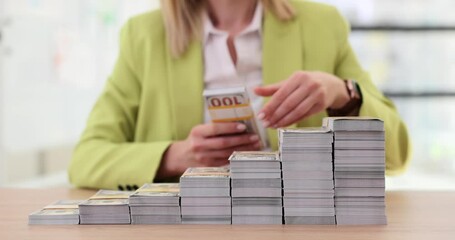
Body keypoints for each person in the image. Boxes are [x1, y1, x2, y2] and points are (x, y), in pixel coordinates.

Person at [68, 0, 411, 190]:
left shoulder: (322, 24)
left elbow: (397, 154)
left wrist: (343, 93)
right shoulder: (143, 36)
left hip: (296, 226)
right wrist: (178, 155)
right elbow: (85, 159)